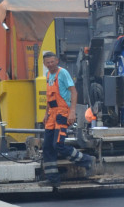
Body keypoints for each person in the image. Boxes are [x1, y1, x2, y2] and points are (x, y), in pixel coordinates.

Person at [41, 51, 95, 187]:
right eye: (48, 62)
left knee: (58, 145)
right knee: (47, 146)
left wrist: (72, 112)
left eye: (52, 61)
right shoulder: (48, 75)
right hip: (52, 114)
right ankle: (53, 179)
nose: (50, 64)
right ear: (44, 63)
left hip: (62, 113)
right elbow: (49, 97)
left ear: (57, 61)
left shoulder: (63, 73)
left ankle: (87, 160)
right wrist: (46, 113)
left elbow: (74, 92)